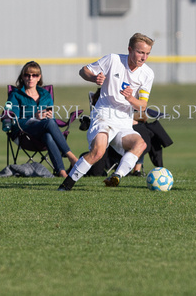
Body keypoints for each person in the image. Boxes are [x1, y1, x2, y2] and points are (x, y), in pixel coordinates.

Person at [58, 33, 154, 191]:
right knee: (98, 152)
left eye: (147, 53)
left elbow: (142, 106)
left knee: (140, 144)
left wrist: (130, 98)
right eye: (140, 52)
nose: (144, 57)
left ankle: (116, 176)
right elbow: (83, 71)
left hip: (124, 121)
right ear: (129, 49)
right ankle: (67, 184)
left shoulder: (147, 74)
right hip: (104, 115)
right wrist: (94, 78)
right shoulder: (113, 60)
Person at [8, 61, 78, 178]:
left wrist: (51, 117)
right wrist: (34, 117)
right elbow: (13, 121)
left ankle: (61, 172)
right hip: (24, 132)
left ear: (39, 77)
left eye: (34, 75)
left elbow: (52, 120)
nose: (30, 78)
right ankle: (70, 156)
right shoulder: (15, 95)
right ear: (22, 77)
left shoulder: (46, 94)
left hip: (43, 131)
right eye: (27, 75)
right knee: (48, 123)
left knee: (48, 135)